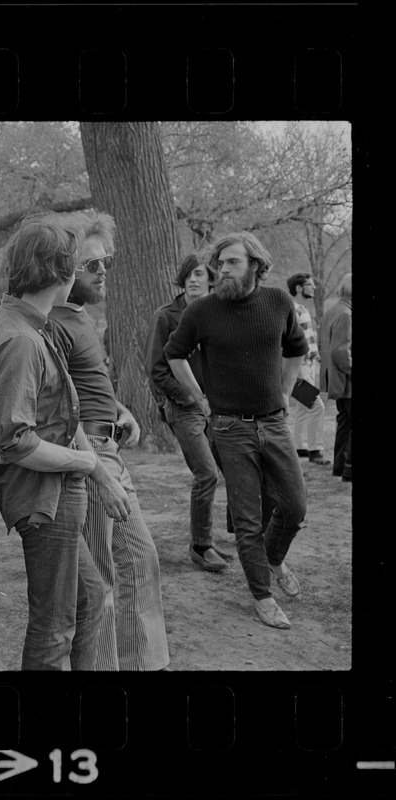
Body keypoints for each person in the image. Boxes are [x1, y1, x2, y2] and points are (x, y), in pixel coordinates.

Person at [0, 217, 103, 671]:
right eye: (80, 265)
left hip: (52, 491)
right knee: (53, 626)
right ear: (59, 271)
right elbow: (16, 440)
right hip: (46, 497)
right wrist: (85, 462)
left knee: (90, 600)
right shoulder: (20, 338)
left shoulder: (17, 320)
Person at [165, 231, 308, 630]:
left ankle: (273, 558)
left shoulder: (279, 301)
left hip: (274, 422)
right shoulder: (202, 311)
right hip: (229, 428)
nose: (222, 270)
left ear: (256, 266)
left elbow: (296, 347)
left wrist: (284, 389)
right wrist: (200, 398)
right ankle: (262, 596)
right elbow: (173, 355)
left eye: (232, 262)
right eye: (220, 263)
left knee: (295, 507)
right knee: (247, 520)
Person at [49, 211, 170, 671]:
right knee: (106, 576)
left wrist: (120, 410)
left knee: (137, 563)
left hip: (108, 447)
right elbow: (60, 409)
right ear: (63, 267)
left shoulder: (78, 317)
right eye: (92, 265)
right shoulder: (51, 322)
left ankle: (140, 665)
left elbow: (87, 385)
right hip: (89, 459)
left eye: (107, 262)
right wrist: (96, 471)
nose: (104, 273)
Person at [143, 253, 234, 572]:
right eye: (187, 276)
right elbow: (157, 370)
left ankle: (210, 537)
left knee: (227, 469)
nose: (193, 280)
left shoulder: (216, 313)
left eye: (199, 274)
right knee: (206, 473)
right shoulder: (166, 316)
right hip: (182, 408)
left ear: (212, 279)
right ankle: (200, 547)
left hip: (217, 408)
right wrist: (193, 398)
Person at [286, 273, 330, 465]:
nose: (313, 288)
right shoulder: (293, 310)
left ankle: (300, 447)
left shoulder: (301, 309)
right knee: (317, 407)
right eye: (309, 285)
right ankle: (315, 450)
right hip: (301, 366)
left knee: (305, 408)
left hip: (309, 364)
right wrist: (300, 368)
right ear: (298, 288)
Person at [318, 273, 352, 482]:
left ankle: (340, 467)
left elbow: (326, 348)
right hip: (347, 380)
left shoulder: (332, 311)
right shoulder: (346, 314)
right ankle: (348, 469)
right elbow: (340, 352)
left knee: (344, 422)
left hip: (338, 379)